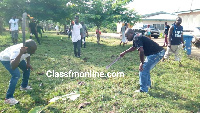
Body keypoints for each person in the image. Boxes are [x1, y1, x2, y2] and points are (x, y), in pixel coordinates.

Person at [0, 39, 37, 105]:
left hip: (18, 57)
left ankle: (24, 86)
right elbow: (13, 66)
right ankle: (8, 98)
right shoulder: (16, 51)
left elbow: (28, 55)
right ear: (27, 49)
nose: (34, 52)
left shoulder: (27, 49)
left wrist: (28, 63)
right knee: (16, 74)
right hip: (6, 59)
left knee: (27, 68)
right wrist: (20, 53)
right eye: (33, 50)